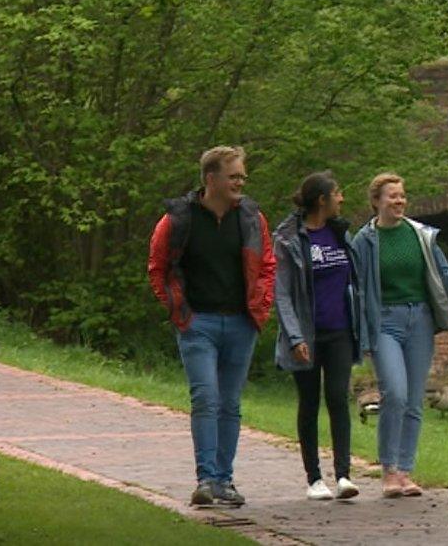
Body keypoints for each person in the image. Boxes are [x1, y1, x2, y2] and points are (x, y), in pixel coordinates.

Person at [148, 146, 275, 506]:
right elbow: (158, 267)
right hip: (197, 322)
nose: (241, 182)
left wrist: (260, 307)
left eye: (242, 176)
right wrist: (177, 310)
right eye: (233, 176)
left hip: (240, 322)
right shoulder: (178, 219)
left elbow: (267, 264)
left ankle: (224, 480)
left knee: (230, 404)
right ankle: (205, 479)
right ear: (211, 179)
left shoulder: (251, 218)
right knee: (206, 397)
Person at [351, 173, 448, 498]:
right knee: (394, 392)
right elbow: (355, 284)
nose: (399, 201)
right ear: (376, 201)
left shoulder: (420, 235)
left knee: (413, 398)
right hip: (385, 321)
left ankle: (405, 471)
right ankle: (389, 471)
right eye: (392, 196)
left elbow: (441, 273)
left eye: (402, 196)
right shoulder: (365, 241)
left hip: (419, 319)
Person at [273, 171, 361, 500]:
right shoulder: (289, 239)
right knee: (309, 403)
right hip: (307, 336)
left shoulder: (341, 234)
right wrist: (295, 338)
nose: (342, 199)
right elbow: (281, 293)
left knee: (338, 397)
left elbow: (356, 282)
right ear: (322, 200)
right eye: (337, 193)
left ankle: (343, 476)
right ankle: (314, 479)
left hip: (339, 332)